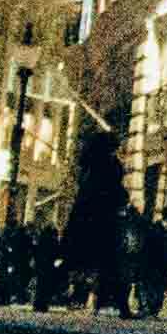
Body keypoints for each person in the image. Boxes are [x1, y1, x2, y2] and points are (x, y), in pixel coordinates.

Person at [56, 121, 127, 316]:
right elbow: (115, 190)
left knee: (73, 260)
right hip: (103, 220)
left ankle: (45, 294)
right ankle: (123, 306)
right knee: (112, 263)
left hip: (86, 218)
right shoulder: (109, 164)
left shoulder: (90, 166)